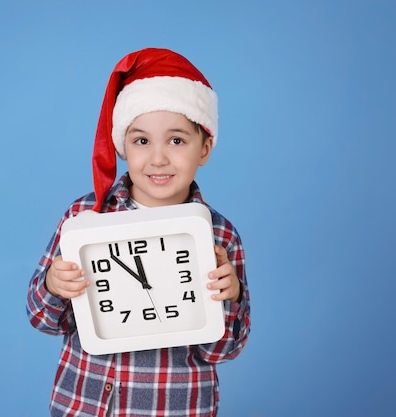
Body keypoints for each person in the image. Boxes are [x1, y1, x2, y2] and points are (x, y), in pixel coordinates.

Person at [26, 47, 250, 417]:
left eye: (176, 140)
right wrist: (53, 285)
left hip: (175, 408)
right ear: (123, 146)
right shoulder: (84, 218)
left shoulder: (220, 237)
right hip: (85, 404)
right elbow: (43, 319)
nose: (158, 158)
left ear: (205, 147)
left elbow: (222, 351)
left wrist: (230, 295)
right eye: (142, 140)